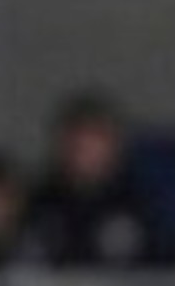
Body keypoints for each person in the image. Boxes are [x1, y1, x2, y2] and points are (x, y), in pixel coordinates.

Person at [25, 90, 154, 268]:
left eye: (96, 138)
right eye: (77, 139)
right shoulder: (35, 204)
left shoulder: (142, 205)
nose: (86, 148)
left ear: (115, 145)